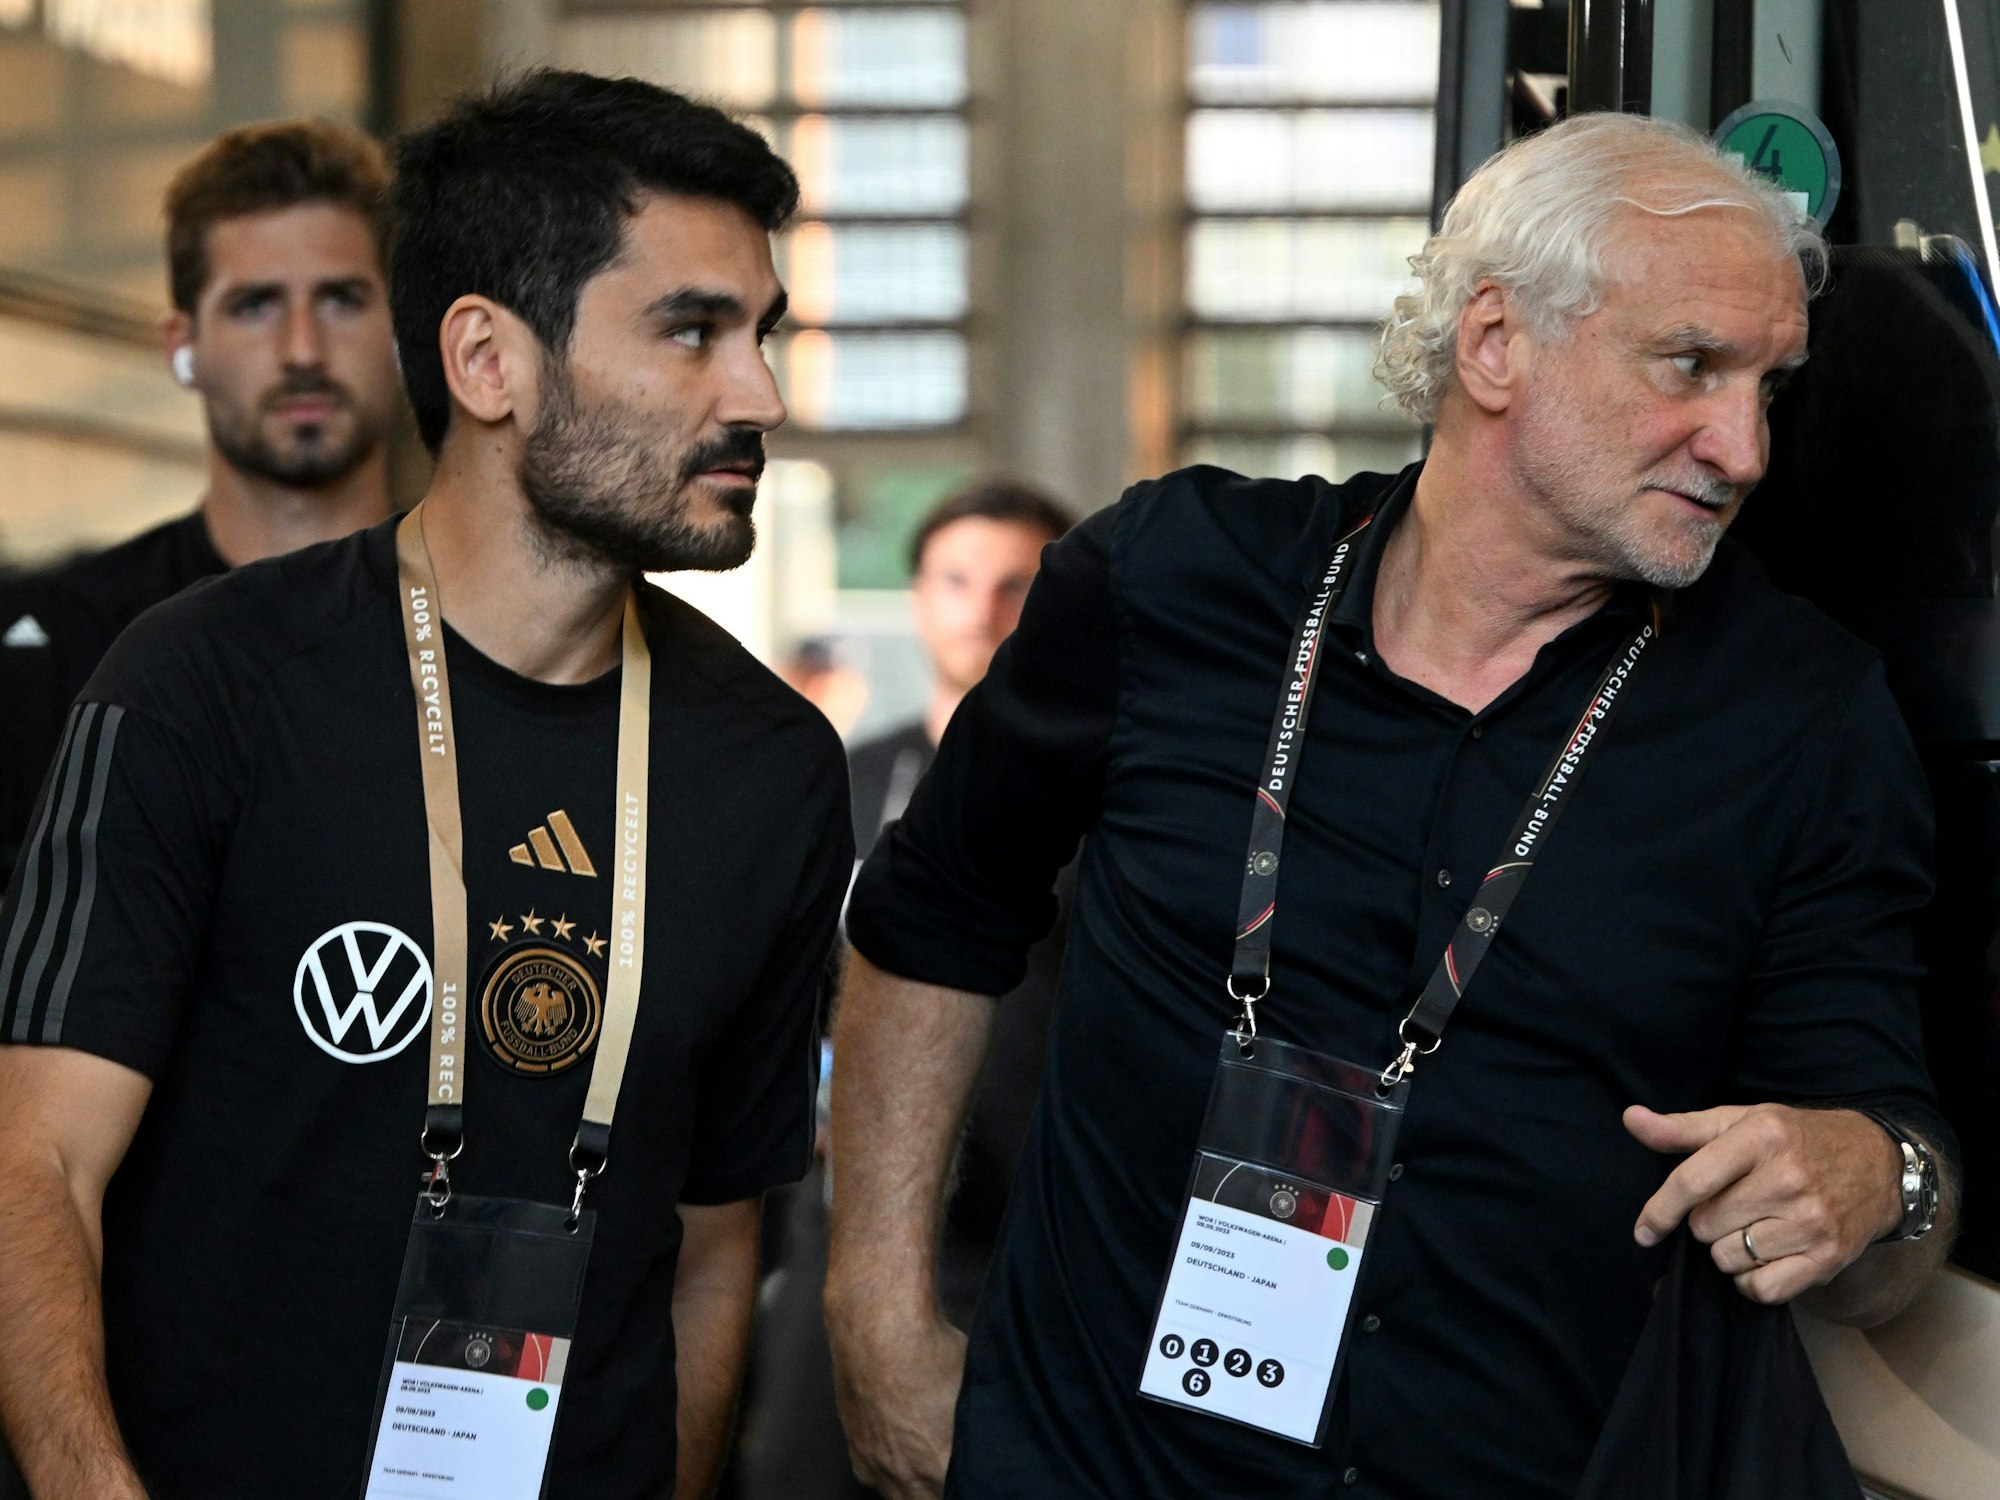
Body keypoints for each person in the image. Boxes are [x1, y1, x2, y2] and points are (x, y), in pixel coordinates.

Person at [826, 112, 1959, 1500]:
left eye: (1767, 387)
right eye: (1692, 367)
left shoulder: (1797, 718)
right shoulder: (1172, 584)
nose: (1742, 446)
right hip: (1094, 1462)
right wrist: (876, 1325)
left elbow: (1891, 1157)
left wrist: (1873, 1177)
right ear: (1495, 342)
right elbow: (931, 919)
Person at [0, 69, 849, 1500]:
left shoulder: (768, 763)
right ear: (486, 361)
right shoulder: (204, 685)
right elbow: (37, 1170)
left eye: (762, 333)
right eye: (691, 331)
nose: (757, 394)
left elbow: (715, 1248)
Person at [737, 479, 1070, 1500]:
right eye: (957, 580)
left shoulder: (1115, 810)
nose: (981, 609)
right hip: (847, 1222)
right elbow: (768, 989)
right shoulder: (843, 780)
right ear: (917, 597)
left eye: (1016, 585)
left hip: (1027, 1243)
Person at [0, 119, 403, 882]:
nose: (302, 351)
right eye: (254, 305)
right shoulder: (56, 647)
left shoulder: (491, 633)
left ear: (404, 334)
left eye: (343, 299)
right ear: (182, 348)